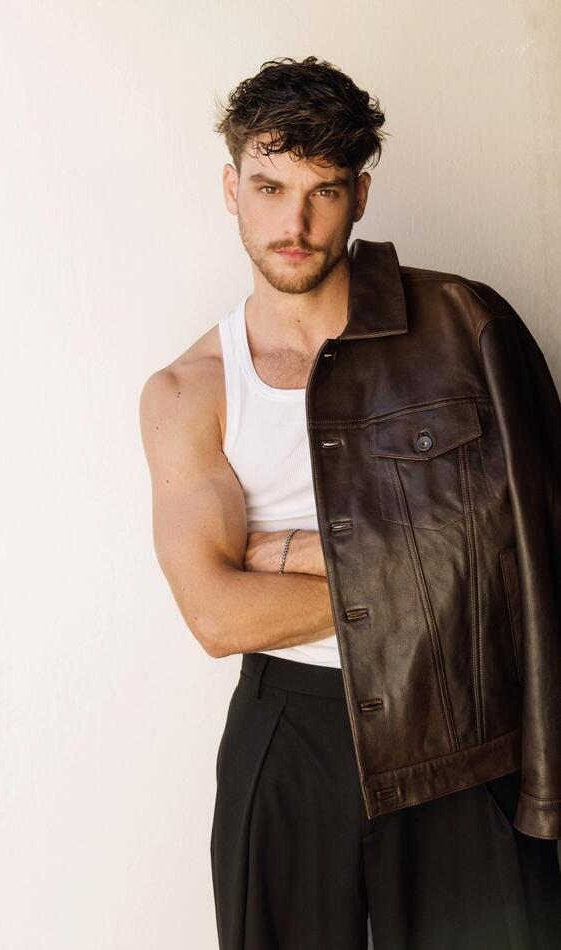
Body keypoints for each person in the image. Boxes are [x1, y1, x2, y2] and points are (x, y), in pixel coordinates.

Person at [139, 56, 561, 949]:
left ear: (359, 196)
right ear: (232, 189)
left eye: (323, 191)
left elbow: (528, 552)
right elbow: (217, 617)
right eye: (269, 188)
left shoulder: (466, 326)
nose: (293, 224)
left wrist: (290, 552)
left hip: (459, 724)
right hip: (291, 729)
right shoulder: (188, 391)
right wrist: (430, 573)